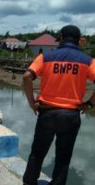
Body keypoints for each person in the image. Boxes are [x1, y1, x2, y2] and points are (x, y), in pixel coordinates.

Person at [22, 25, 95, 185]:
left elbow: (27, 77)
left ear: (61, 38)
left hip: (47, 113)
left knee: (37, 153)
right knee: (63, 157)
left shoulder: (45, 57)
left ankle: (29, 182)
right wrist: (89, 103)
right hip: (70, 116)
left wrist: (32, 102)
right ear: (79, 41)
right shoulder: (88, 60)